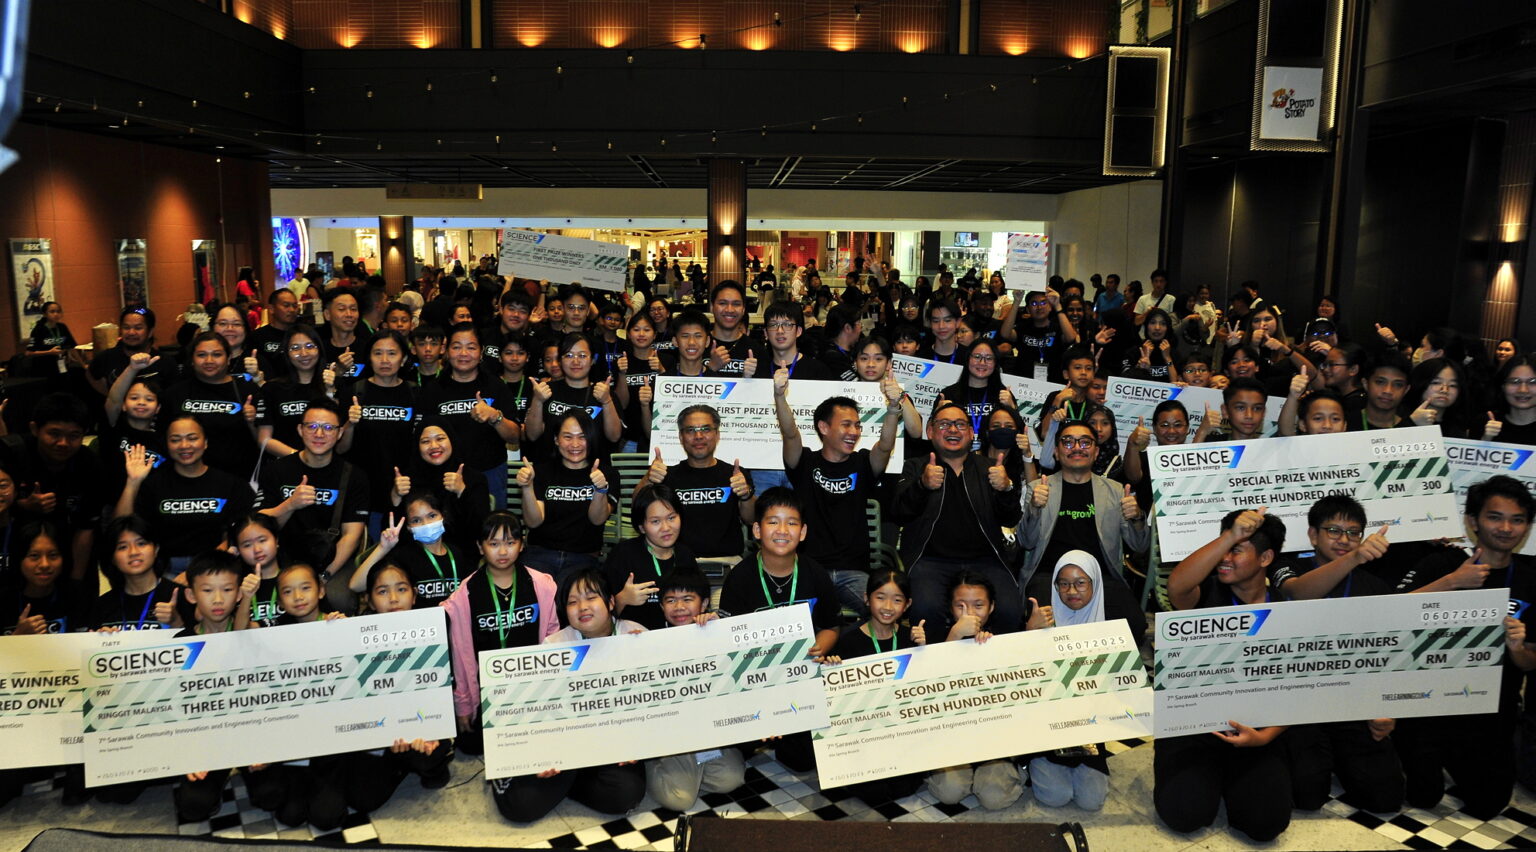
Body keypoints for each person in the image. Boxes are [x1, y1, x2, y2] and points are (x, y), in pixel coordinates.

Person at [1390, 475, 1536, 819]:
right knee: (1423, 797)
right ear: (1472, 521)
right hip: (1428, 702)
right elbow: (1390, 612)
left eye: (1517, 520)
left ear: (1527, 526)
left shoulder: (1530, 579)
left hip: (1490, 708)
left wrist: (1518, 648)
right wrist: (1452, 582)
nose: (1506, 528)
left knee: (1488, 804)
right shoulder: (1442, 564)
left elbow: (1530, 662)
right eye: (1495, 517)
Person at [1158, 509, 1293, 841]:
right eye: (1223, 547)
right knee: (1184, 815)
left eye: (1237, 550)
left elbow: (1299, 685)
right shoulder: (1204, 594)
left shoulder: (1287, 608)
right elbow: (1176, 585)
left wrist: (1265, 737)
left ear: (1266, 558)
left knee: (1266, 824)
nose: (1225, 558)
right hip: (1193, 729)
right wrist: (1231, 536)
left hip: (1256, 732)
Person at [442, 512, 563, 819]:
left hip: (532, 689)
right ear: (480, 547)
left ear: (522, 545)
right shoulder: (466, 594)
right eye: (493, 543)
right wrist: (464, 704)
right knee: (470, 743)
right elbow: (461, 653)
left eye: (510, 542)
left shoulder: (542, 584)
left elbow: (553, 639)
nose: (503, 550)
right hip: (489, 693)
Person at [716, 488, 841, 772]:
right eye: (773, 522)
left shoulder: (815, 574)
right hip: (753, 678)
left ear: (803, 532)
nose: (782, 530)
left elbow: (832, 626)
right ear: (757, 530)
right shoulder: (740, 578)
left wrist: (818, 649)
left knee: (802, 761)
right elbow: (728, 645)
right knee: (743, 744)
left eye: (791, 523)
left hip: (799, 676)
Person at [773, 367, 904, 616]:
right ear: (824, 427)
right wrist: (779, 396)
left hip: (854, 572)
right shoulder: (804, 463)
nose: (854, 432)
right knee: (790, 620)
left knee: (882, 613)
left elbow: (885, 446)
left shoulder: (862, 463)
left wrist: (893, 407)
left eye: (857, 425)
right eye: (846, 425)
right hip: (809, 570)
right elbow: (790, 434)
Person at [893, 400, 1023, 633]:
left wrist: (1006, 489)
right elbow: (899, 513)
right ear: (930, 431)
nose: (953, 430)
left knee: (1010, 611)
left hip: (986, 560)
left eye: (960, 425)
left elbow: (1010, 518)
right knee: (926, 610)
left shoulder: (990, 468)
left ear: (971, 433)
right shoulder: (915, 467)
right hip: (930, 561)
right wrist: (922, 485)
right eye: (944, 424)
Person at [642, 566, 747, 810]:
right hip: (668, 737)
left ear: (704, 604)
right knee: (679, 800)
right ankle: (656, 764)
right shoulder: (649, 640)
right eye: (671, 600)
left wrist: (718, 629)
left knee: (731, 780)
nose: (679, 607)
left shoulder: (716, 632)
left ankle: (692, 766)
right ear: (661, 606)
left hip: (708, 734)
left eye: (688, 599)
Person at [925, 572, 1032, 810]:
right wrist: (955, 635)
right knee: (949, 792)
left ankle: (1019, 770)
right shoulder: (934, 638)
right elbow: (931, 689)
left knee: (994, 798)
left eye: (978, 605)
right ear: (950, 607)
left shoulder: (1004, 639)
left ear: (991, 607)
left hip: (995, 740)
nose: (969, 613)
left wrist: (990, 651)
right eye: (960, 606)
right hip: (952, 738)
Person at [1020, 421, 1149, 616]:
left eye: (1085, 442)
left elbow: (1140, 546)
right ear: (1056, 452)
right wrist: (1034, 508)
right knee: (1043, 625)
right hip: (1050, 577)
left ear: (1096, 452)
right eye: (1068, 442)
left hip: (1101, 578)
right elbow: (1026, 542)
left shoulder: (1115, 491)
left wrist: (1137, 517)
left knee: (1134, 624)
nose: (1077, 447)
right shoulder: (1039, 488)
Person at [257, 399, 369, 612]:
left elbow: (351, 536)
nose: (319, 434)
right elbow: (259, 526)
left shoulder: (355, 476)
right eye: (312, 426)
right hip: (285, 556)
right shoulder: (276, 470)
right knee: (272, 599)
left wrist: (324, 576)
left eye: (328, 428)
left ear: (339, 433)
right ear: (300, 430)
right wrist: (290, 504)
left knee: (338, 598)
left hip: (332, 558)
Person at [1028, 550, 1114, 810]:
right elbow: (1022, 682)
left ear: (1094, 583)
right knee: (1055, 796)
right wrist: (1030, 633)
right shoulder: (1041, 621)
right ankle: (1032, 762)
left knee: (1091, 801)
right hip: (1045, 731)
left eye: (1080, 583)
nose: (1071, 591)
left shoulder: (1114, 627)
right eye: (1063, 583)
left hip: (1089, 731)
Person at [115, 416, 254, 574]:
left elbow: (243, 531)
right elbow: (120, 528)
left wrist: (202, 569)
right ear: (167, 445)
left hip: (216, 567)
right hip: (163, 568)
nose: (184, 445)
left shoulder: (231, 484)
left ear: (205, 442)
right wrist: (133, 482)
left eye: (192, 438)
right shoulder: (153, 485)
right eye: (175, 440)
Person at [422, 323, 521, 510]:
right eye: (457, 347)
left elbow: (515, 436)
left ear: (481, 351)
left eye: (471, 347)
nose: (463, 353)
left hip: (490, 474)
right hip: (444, 475)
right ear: (446, 350)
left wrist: (495, 417)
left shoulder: (496, 386)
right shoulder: (433, 390)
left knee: (491, 526)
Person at [637, 404, 755, 561]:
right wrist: (648, 479)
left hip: (727, 561)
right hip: (678, 562)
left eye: (706, 429)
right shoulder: (667, 476)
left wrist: (745, 494)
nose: (698, 436)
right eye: (690, 430)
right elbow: (637, 510)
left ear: (717, 434)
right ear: (681, 437)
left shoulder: (735, 475)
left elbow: (751, 519)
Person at [515, 409, 617, 584]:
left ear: (591, 439)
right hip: (540, 554)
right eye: (568, 437)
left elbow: (597, 519)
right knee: (534, 590)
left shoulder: (607, 474)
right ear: (556, 439)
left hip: (583, 557)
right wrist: (527, 488)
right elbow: (534, 522)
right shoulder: (541, 472)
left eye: (582, 437)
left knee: (570, 592)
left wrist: (600, 490)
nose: (575, 444)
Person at [340, 329, 423, 538]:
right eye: (378, 353)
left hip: (404, 486)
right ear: (369, 357)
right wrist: (350, 424)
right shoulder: (354, 392)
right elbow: (340, 448)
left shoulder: (415, 393)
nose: (384, 360)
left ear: (403, 359)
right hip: (363, 488)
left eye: (392, 353)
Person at [160, 332, 261, 484]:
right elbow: (163, 438)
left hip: (237, 481)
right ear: (192, 360)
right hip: (184, 481)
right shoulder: (174, 394)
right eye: (201, 355)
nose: (209, 361)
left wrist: (252, 422)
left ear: (228, 358)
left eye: (216, 354)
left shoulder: (248, 391)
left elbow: (264, 442)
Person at [350, 490, 474, 608]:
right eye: (416, 520)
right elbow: (356, 585)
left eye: (432, 516)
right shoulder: (403, 557)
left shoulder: (457, 554)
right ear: (409, 527)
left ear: (443, 517)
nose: (426, 524)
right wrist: (383, 548)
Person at [390, 417, 490, 555]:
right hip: (414, 556)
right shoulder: (405, 480)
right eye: (425, 441)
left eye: (440, 439)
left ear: (452, 440)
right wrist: (396, 498)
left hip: (463, 557)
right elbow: (391, 535)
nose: (434, 446)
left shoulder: (473, 478)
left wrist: (463, 492)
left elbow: (483, 530)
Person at [604, 485, 699, 630]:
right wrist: (622, 599)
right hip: (633, 638)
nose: (666, 528)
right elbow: (599, 617)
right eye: (655, 521)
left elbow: (697, 603)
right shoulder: (623, 555)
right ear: (641, 527)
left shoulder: (685, 555)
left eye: (671, 518)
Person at [524, 333, 622, 462]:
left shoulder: (604, 393)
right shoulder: (544, 391)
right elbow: (532, 435)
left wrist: (606, 401)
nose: (576, 361)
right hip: (551, 468)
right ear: (560, 360)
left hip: (595, 469)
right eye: (569, 355)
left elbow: (614, 437)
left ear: (593, 360)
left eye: (582, 355)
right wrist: (537, 400)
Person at [92, 515, 178, 631]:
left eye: (141, 543)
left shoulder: (179, 596)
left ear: (156, 549)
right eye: (123, 547)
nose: (133, 552)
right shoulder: (102, 605)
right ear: (112, 558)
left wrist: (176, 621)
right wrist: (100, 638)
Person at [2, 521, 84, 635]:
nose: (44, 564)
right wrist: (17, 636)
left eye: (53, 555)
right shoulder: (4, 602)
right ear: (19, 559)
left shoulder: (77, 599)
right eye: (34, 556)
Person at [89, 306, 174, 394]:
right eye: (126, 327)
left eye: (138, 328)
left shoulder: (165, 362)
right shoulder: (106, 357)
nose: (131, 332)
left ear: (150, 332)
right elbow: (91, 378)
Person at [707, 281, 757, 376]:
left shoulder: (757, 351)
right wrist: (711, 368)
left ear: (743, 310)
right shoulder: (697, 347)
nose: (729, 310)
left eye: (736, 304)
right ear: (711, 307)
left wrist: (747, 380)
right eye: (722, 303)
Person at [1485, 354, 1536, 445]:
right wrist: (1486, 439)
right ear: (1503, 386)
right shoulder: (1485, 423)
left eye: (1532, 382)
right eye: (1514, 382)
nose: (1523, 390)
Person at [25, 301, 76, 374]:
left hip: (62, 366)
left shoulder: (62, 327)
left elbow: (71, 346)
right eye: (52, 312)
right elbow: (29, 353)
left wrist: (83, 364)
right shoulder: (39, 329)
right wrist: (49, 352)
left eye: (58, 311)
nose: (56, 314)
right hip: (43, 368)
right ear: (45, 314)